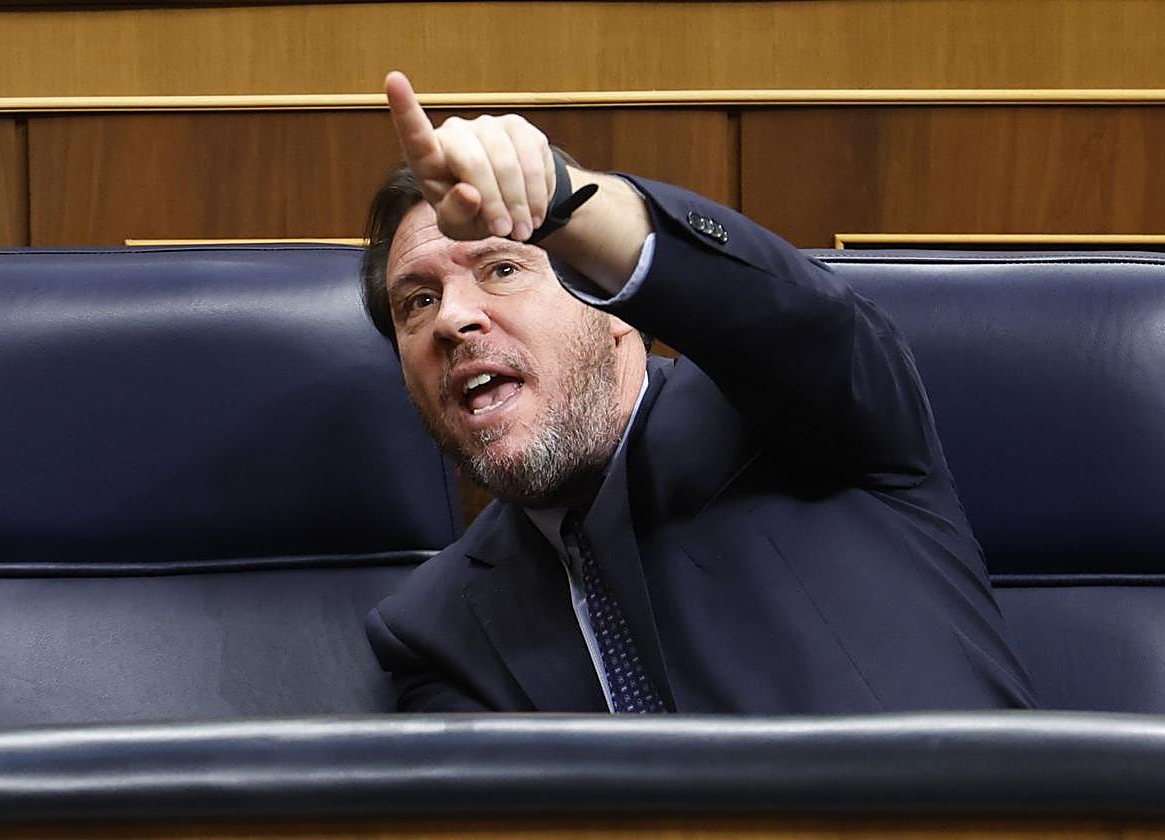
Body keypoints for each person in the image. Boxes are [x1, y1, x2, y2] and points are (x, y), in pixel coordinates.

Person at [362, 71, 1038, 713]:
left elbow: (781, 317)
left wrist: (563, 201)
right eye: (417, 302)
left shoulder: (807, 413)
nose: (452, 319)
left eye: (502, 267)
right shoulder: (433, 631)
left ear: (617, 310)